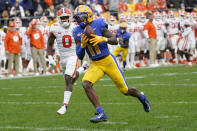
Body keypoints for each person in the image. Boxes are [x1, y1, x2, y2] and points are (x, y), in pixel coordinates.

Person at [73, 5, 150, 123]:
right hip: (95, 64)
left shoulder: (98, 24)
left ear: (88, 16)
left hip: (108, 61)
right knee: (86, 84)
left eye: (81, 18)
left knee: (125, 91)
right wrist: (83, 44)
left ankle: (141, 97)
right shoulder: (77, 31)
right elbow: (79, 55)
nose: (79, 21)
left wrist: (102, 39)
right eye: (77, 18)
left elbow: (115, 40)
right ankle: (100, 112)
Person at [47, 8, 87, 115]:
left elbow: (82, 43)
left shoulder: (75, 27)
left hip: (73, 56)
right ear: (59, 19)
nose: (65, 20)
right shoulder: (54, 28)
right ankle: (82, 69)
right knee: (69, 81)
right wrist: (50, 57)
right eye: (62, 18)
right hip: (62, 58)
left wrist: (82, 56)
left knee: (69, 79)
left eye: (66, 18)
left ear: (70, 18)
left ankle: (64, 106)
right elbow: (49, 44)